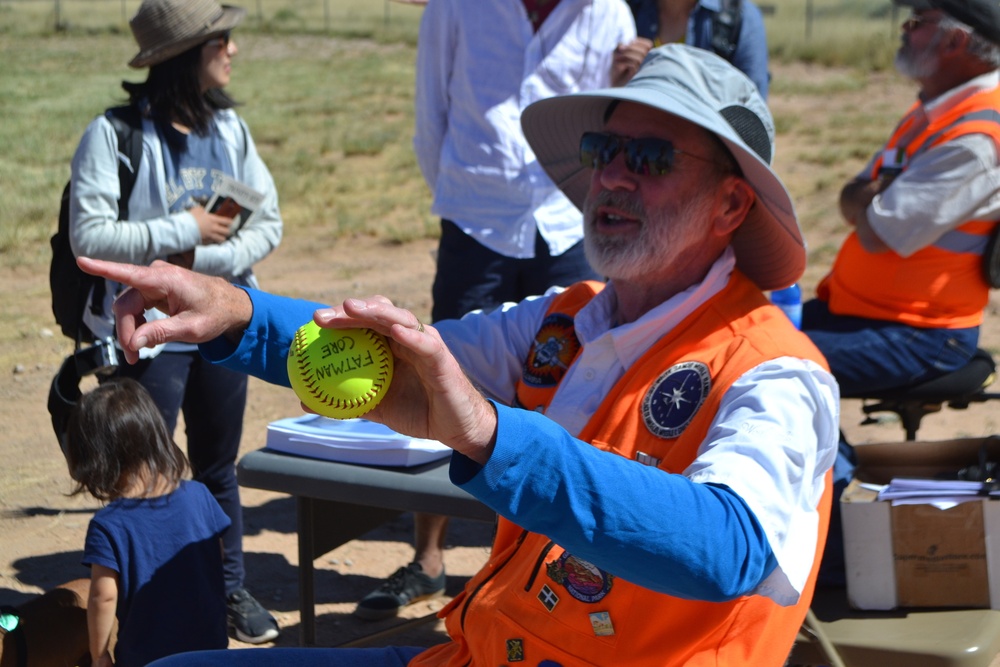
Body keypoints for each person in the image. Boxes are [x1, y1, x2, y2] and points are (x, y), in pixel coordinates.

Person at [82, 44, 839, 666]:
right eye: (604, 148)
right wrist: (234, 312)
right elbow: (397, 354)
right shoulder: (569, 318)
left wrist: (491, 435)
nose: (610, 175)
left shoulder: (778, 371)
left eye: (648, 157)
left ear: (731, 205)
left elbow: (726, 546)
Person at [366, 0, 638, 622]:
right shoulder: (456, 7)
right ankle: (430, 558)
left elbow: (612, 115)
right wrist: (460, 195)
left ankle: (547, 570)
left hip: (569, 226)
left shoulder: (607, 12)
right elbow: (429, 111)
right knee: (441, 378)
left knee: (575, 396)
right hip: (476, 219)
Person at [66, 0, 283, 643]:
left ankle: (226, 587)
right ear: (188, 55)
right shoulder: (112, 135)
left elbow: (268, 223)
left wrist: (201, 262)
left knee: (217, 464)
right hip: (143, 333)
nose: (233, 51)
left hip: (221, 324)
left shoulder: (231, 132)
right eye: (223, 40)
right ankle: (142, 596)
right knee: (141, 468)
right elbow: (91, 233)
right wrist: (181, 231)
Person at [800, 0, 1000, 583]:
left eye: (921, 18)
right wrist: (868, 200)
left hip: (922, 333)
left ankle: (838, 551)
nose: (906, 28)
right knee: (745, 342)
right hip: (871, 314)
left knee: (782, 368)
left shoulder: (979, 134)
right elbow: (857, 197)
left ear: (958, 40)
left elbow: (883, 227)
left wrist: (868, 200)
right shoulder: (937, 111)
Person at [65, 378, 231, 667]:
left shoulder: (108, 524)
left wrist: (100, 653)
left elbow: (103, 598)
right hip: (210, 646)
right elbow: (217, 557)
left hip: (148, 656)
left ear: (95, 457)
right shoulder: (200, 494)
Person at [616, 0, 770, 97]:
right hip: (635, 143)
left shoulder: (740, 17)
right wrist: (617, 72)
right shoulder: (621, 11)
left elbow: (752, 107)